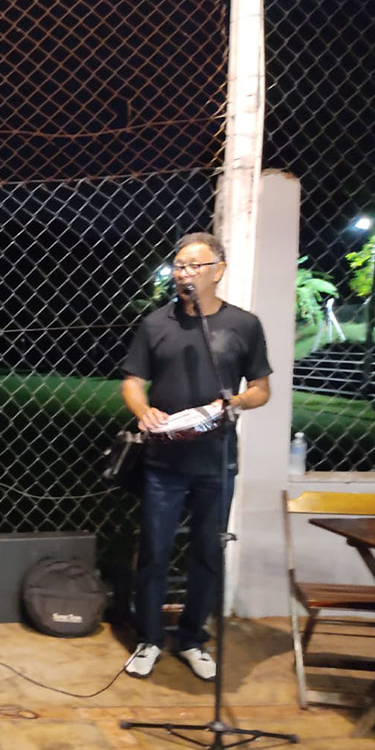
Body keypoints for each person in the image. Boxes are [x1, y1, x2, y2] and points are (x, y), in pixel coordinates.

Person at [120, 232, 271, 680]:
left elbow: (261, 389)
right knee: (155, 549)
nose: (182, 273)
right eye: (179, 265)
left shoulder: (244, 325)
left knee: (208, 551)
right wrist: (143, 410)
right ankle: (149, 638)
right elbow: (132, 381)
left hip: (216, 461)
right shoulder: (156, 324)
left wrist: (234, 402)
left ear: (217, 271)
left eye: (193, 266)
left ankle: (191, 639)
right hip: (164, 462)